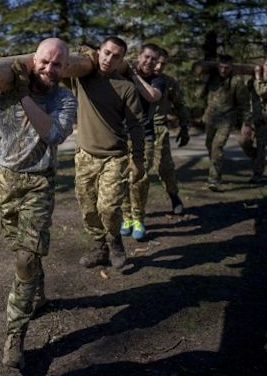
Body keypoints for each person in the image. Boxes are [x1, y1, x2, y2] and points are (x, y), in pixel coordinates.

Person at [0, 38, 77, 370]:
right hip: (6, 180)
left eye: (57, 64)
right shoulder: (7, 91)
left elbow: (52, 135)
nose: (49, 69)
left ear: (65, 68)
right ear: (33, 60)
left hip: (39, 182)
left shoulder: (65, 98)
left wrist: (24, 94)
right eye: (44, 61)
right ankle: (37, 292)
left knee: (25, 259)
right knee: (21, 250)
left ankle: (15, 335)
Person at [66, 36, 144, 268]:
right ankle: (99, 248)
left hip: (114, 157)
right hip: (85, 156)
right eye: (106, 52)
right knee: (88, 208)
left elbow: (136, 126)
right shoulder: (81, 78)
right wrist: (85, 52)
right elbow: (66, 54)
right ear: (99, 51)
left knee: (108, 208)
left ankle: (115, 241)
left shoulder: (126, 87)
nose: (109, 59)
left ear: (122, 60)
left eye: (116, 56)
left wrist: (138, 159)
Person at [121, 43, 166, 240]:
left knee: (139, 179)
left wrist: (135, 76)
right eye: (146, 57)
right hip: (120, 135)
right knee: (122, 178)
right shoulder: (123, 70)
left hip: (144, 135)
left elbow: (152, 96)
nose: (149, 61)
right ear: (139, 56)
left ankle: (139, 218)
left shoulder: (158, 80)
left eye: (153, 59)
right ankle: (127, 217)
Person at [199, 54, 251, 191]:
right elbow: (198, 95)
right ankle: (216, 169)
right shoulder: (212, 78)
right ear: (218, 66)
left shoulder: (236, 81)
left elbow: (244, 104)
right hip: (211, 117)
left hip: (227, 119)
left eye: (226, 67)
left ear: (231, 66)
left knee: (217, 146)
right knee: (209, 145)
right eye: (221, 67)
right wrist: (203, 81)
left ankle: (214, 180)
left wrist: (246, 123)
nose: (223, 70)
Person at [149, 48, 190, 215]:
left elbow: (180, 105)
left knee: (165, 168)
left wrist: (185, 127)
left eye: (163, 64)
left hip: (159, 129)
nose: (158, 66)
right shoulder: (134, 78)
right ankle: (132, 211)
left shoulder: (169, 82)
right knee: (133, 172)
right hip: (135, 129)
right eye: (156, 61)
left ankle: (174, 196)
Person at [239, 57, 267, 183]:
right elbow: (245, 92)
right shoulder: (253, 78)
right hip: (251, 118)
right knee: (243, 142)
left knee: (261, 147)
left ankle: (257, 174)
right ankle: (258, 160)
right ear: (263, 65)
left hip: (265, 119)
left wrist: (258, 76)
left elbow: (262, 92)